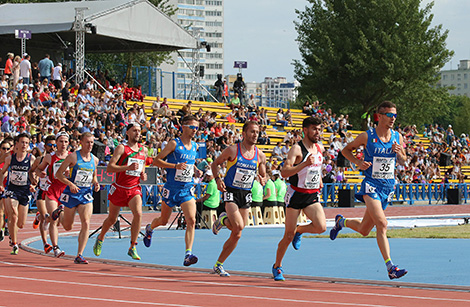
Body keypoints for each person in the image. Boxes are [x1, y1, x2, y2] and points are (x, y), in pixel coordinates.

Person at [330, 101, 408, 280]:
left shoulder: (398, 137)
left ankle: (341, 222)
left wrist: (399, 153)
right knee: (382, 224)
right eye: (389, 115)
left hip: (387, 187)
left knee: (365, 229)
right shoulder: (367, 136)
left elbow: (403, 161)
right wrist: (357, 162)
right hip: (371, 185)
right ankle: (390, 267)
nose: (393, 119)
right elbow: (345, 151)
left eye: (395, 115)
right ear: (379, 116)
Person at [272, 116, 327, 281]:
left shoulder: (320, 148)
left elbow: (317, 168)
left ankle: (300, 230)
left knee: (321, 227)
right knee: (288, 235)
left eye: (319, 129)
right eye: (314, 129)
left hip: (311, 195)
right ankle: (277, 266)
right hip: (296, 194)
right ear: (305, 130)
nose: (317, 132)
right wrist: (304, 164)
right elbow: (284, 172)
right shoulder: (296, 149)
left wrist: (320, 180)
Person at [143, 115, 201, 266]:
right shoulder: (174, 144)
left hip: (186, 188)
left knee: (192, 220)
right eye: (193, 127)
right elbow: (156, 161)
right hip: (171, 188)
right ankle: (149, 228)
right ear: (184, 127)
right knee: (163, 220)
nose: (195, 130)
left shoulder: (195, 146)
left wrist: (195, 170)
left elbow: (189, 162)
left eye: (197, 127)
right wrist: (175, 167)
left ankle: (188, 254)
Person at [210, 121, 267, 277]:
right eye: (252, 132)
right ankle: (223, 220)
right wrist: (217, 179)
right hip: (231, 191)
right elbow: (215, 164)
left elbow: (263, 171)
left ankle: (218, 264)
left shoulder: (259, 154)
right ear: (244, 134)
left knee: (238, 232)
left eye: (257, 132)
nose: (255, 135)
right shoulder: (233, 150)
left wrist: (263, 178)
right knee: (239, 225)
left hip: (246, 193)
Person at [93, 123, 147, 260]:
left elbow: (142, 167)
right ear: (127, 132)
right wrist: (126, 167)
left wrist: (143, 174)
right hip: (119, 188)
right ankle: (100, 238)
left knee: (139, 214)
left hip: (134, 188)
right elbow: (110, 168)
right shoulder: (122, 148)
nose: (137, 133)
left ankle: (132, 246)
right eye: (134, 130)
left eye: (139, 131)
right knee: (112, 219)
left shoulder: (143, 150)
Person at [54, 132, 100, 264]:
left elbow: (93, 175)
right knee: (68, 226)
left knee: (86, 222)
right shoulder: (73, 157)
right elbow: (59, 174)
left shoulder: (94, 159)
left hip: (85, 194)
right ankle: (60, 213)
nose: (90, 145)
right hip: (72, 194)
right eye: (87, 142)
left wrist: (95, 183)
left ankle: (79, 254)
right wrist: (71, 184)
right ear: (81, 142)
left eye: (92, 142)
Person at [35, 131, 70, 258]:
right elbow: (38, 169)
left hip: (66, 191)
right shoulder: (50, 157)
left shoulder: (72, 157)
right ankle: (56, 247)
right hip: (52, 190)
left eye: (66, 141)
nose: (63, 144)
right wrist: (40, 174)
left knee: (64, 223)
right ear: (56, 142)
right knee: (55, 219)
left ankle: (43, 219)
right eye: (61, 141)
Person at [0, 133, 37, 255]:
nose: (24, 145)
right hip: (12, 189)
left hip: (25, 191)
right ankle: (15, 244)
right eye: (22, 142)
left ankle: (12, 233)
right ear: (16, 144)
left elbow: (33, 175)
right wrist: (1, 184)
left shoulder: (31, 159)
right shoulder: (10, 158)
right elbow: (2, 172)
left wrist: (33, 184)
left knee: (20, 223)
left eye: (26, 143)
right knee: (13, 214)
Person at [30, 136, 56, 254]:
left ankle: (38, 217)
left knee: (51, 218)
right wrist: (33, 180)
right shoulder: (39, 160)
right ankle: (46, 243)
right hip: (41, 190)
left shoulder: (57, 160)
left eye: (54, 145)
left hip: (53, 192)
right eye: (50, 145)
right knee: (45, 216)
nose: (52, 148)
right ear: (45, 146)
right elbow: (31, 171)